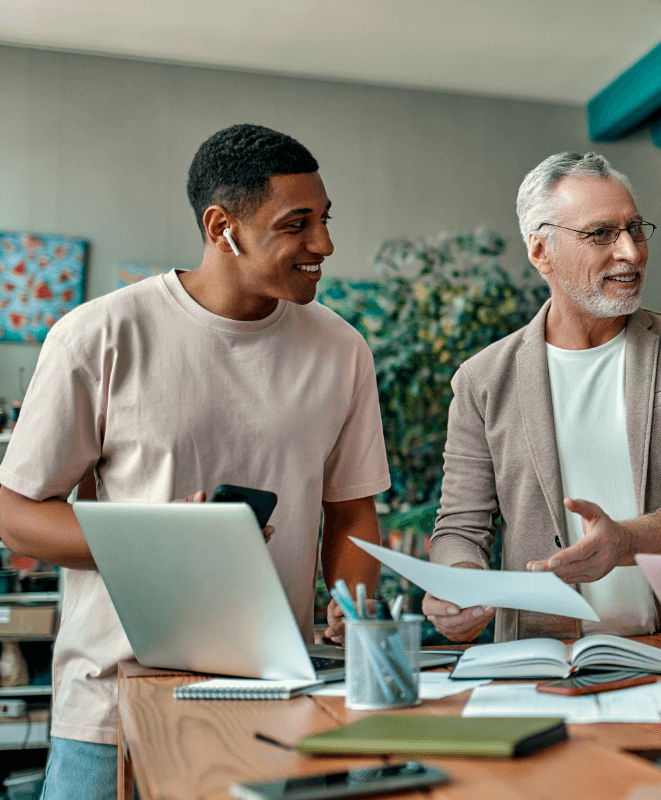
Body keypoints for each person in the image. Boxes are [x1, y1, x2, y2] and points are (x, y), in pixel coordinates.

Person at [0, 124, 390, 800]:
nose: (323, 245)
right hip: (112, 703)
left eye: (324, 220)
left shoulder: (342, 349)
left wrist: (352, 607)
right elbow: (15, 516)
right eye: (296, 224)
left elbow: (351, 508)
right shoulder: (98, 334)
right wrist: (167, 539)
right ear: (222, 227)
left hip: (277, 696)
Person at [424, 152, 661, 642]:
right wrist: (457, 582)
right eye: (601, 234)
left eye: (635, 229)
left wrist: (627, 541)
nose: (631, 252)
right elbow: (461, 527)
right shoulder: (482, 379)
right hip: (545, 653)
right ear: (541, 251)